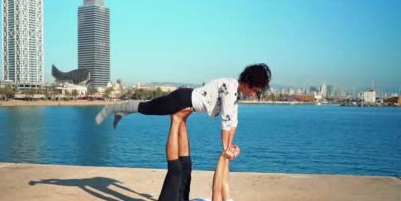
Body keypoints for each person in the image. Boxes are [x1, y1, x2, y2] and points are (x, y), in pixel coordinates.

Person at [95, 63, 271, 151]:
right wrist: (226, 149)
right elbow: (225, 121)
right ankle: (112, 108)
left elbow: (233, 121)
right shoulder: (230, 90)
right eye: (255, 90)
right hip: (182, 99)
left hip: (186, 100)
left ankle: (121, 113)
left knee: (148, 108)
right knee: (147, 108)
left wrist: (230, 145)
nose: (254, 94)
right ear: (248, 82)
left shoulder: (236, 94)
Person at [155, 108, 261, 201]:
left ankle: (175, 119)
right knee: (186, 165)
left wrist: (222, 158)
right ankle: (183, 120)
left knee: (176, 169)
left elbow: (216, 190)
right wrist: (227, 153)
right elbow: (225, 183)